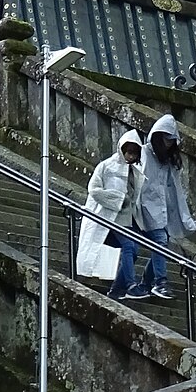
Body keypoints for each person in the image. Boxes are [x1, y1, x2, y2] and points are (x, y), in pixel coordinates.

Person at [127, 113, 196, 300]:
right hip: (143, 208)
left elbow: (174, 190)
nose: (168, 143)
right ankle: (159, 282)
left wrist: (182, 216)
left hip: (160, 210)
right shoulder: (144, 153)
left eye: (171, 140)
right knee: (157, 242)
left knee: (161, 244)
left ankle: (146, 284)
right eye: (165, 139)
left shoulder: (168, 161)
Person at [76, 129, 148, 301]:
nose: (130, 156)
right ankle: (130, 285)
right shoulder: (106, 166)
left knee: (134, 249)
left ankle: (117, 289)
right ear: (121, 149)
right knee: (129, 247)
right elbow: (94, 190)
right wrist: (117, 199)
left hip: (127, 219)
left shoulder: (135, 172)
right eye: (128, 152)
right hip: (108, 218)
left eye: (134, 153)